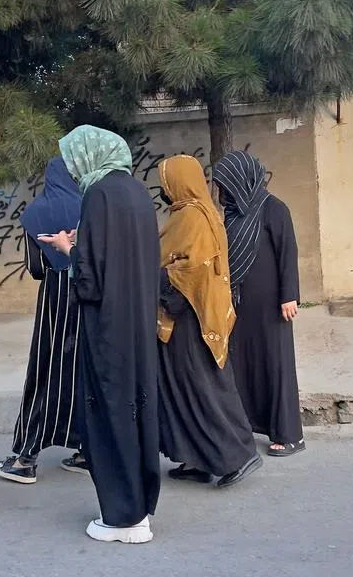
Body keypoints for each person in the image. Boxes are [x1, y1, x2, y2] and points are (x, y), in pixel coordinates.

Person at [39, 125, 161, 545]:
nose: (73, 171)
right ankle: (139, 510)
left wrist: (68, 249)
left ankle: (122, 518)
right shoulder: (136, 192)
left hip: (108, 328)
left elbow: (91, 279)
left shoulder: (98, 196)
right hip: (138, 325)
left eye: (74, 160)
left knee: (109, 417)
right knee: (135, 413)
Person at [155, 155, 262, 488]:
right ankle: (198, 458)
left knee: (205, 387)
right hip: (181, 317)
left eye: (166, 181)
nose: (164, 188)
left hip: (192, 318)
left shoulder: (195, 217)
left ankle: (239, 455)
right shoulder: (184, 214)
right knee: (183, 389)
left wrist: (161, 287)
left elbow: (194, 270)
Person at [0, 157, 88, 484]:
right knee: (83, 371)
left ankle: (26, 458)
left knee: (46, 371)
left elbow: (35, 268)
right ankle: (87, 450)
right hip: (91, 296)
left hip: (56, 299)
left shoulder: (37, 213)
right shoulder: (90, 205)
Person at [212, 150, 304, 457]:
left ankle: (289, 434)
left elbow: (287, 253)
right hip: (239, 304)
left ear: (242, 179)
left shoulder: (274, 209)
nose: (222, 192)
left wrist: (289, 295)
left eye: (226, 185)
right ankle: (249, 425)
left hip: (272, 306)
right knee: (244, 366)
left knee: (276, 365)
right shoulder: (234, 213)